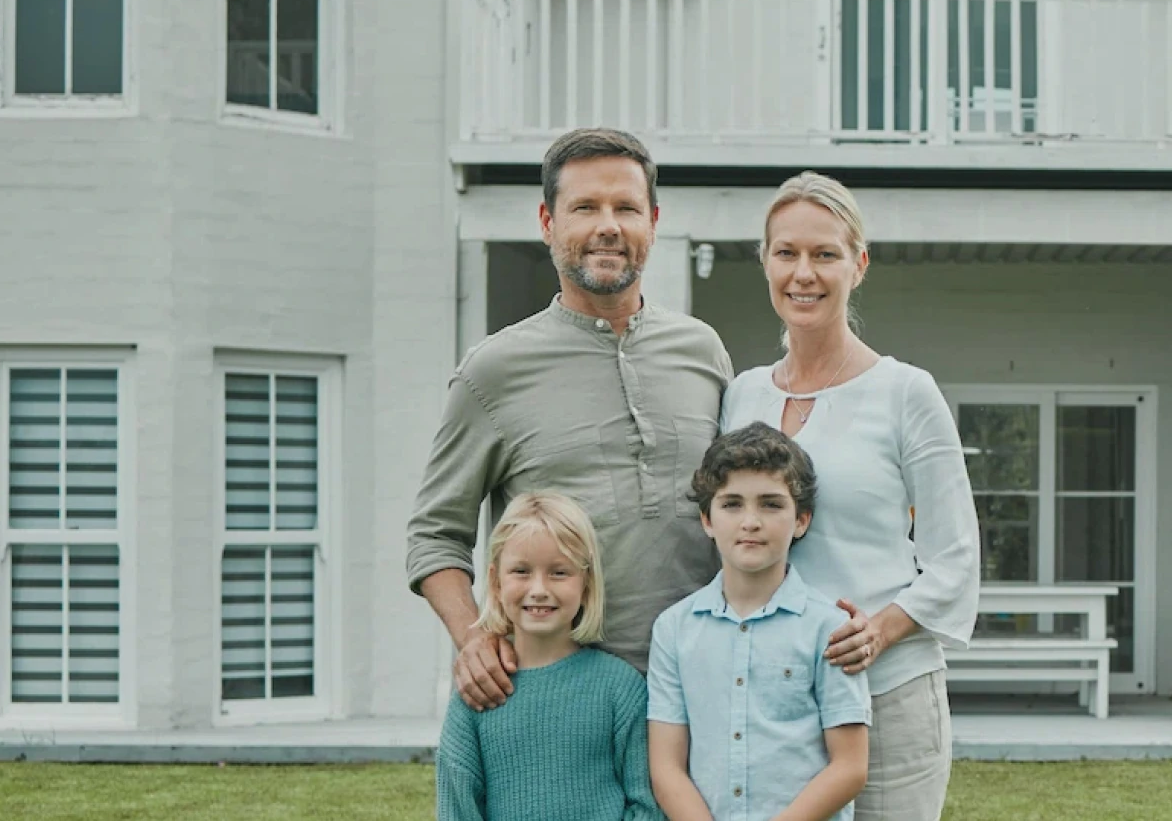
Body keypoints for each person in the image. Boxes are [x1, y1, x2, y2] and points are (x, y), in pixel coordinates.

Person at [407, 128, 731, 710]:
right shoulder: (493, 371)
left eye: (626, 208)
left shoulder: (702, 352)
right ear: (548, 222)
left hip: (702, 688)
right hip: (560, 697)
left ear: (652, 222)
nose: (608, 225)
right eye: (584, 207)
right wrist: (473, 636)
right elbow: (434, 535)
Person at [720, 171, 979, 819]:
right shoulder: (741, 395)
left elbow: (956, 558)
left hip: (889, 692)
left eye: (824, 254)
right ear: (765, 262)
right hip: (773, 698)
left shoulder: (905, 393)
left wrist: (880, 631)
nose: (803, 273)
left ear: (857, 264)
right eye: (787, 253)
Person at [647, 423, 871, 821]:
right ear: (707, 520)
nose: (750, 521)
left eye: (770, 504)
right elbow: (666, 767)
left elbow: (850, 767)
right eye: (732, 504)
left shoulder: (831, 629)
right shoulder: (673, 629)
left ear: (801, 520)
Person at [435, 491, 662, 821]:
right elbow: (458, 808)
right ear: (496, 583)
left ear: (585, 584)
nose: (539, 589)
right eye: (522, 572)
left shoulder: (619, 687)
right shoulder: (477, 693)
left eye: (559, 572)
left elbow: (646, 805)